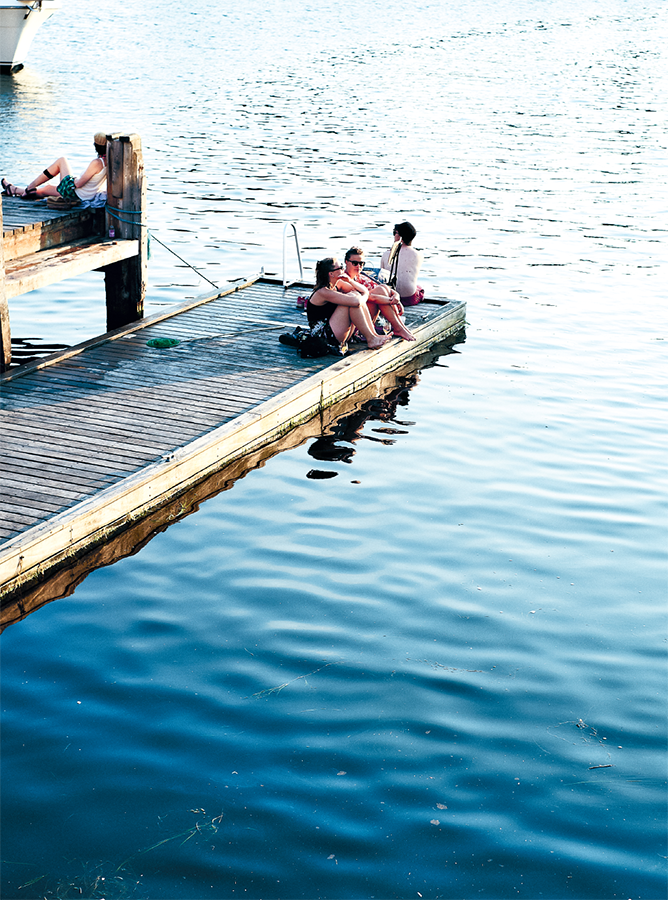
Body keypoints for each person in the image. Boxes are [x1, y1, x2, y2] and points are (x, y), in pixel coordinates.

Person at [307, 258, 391, 352]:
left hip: (335, 329)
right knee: (351, 300)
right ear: (331, 273)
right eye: (340, 267)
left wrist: (350, 281)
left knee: (354, 295)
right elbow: (357, 301)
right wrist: (362, 298)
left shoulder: (337, 284)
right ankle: (371, 339)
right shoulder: (323, 292)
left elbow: (363, 291)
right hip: (324, 335)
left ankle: (373, 335)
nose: (343, 270)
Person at [1, 132, 108, 203]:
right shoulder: (108, 161)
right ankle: (14, 189)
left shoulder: (97, 163)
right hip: (85, 194)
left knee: (62, 160)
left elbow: (78, 184)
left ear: (96, 145)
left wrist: (74, 179)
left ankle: (29, 187)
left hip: (78, 193)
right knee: (46, 189)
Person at [340, 246, 415, 341]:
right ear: (346, 262)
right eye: (355, 263)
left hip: (363, 320)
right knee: (379, 293)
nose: (359, 267)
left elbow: (383, 288)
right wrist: (392, 301)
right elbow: (370, 298)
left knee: (383, 288)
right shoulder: (344, 280)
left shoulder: (359, 277)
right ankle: (398, 328)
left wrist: (396, 296)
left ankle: (400, 327)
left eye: (361, 263)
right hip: (351, 325)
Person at [380, 221, 424, 306]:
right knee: (419, 288)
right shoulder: (418, 255)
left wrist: (395, 243)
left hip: (390, 296)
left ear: (399, 236)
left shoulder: (386, 254)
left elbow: (382, 275)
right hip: (409, 297)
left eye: (394, 233)